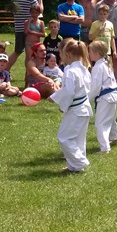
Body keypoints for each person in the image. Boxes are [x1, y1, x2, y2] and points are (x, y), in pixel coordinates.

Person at [49, 40, 92, 173]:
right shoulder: (84, 69)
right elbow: (76, 89)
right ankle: (74, 167)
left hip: (76, 109)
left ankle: (80, 162)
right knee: (78, 139)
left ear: (67, 54)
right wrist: (55, 96)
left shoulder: (71, 71)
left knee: (64, 138)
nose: (60, 57)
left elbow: (69, 92)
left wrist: (60, 104)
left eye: (61, 54)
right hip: (84, 108)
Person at [89, 40, 117, 153]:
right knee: (111, 119)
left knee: (100, 123)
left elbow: (95, 87)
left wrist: (87, 99)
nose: (89, 54)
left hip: (105, 97)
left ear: (97, 53)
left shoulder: (98, 66)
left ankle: (105, 147)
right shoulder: (106, 63)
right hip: (113, 95)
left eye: (90, 51)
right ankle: (114, 138)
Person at [9, 0, 42, 68]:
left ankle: (6, 69)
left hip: (18, 27)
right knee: (30, 54)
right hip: (30, 29)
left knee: (18, 51)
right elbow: (40, 11)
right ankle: (28, 74)